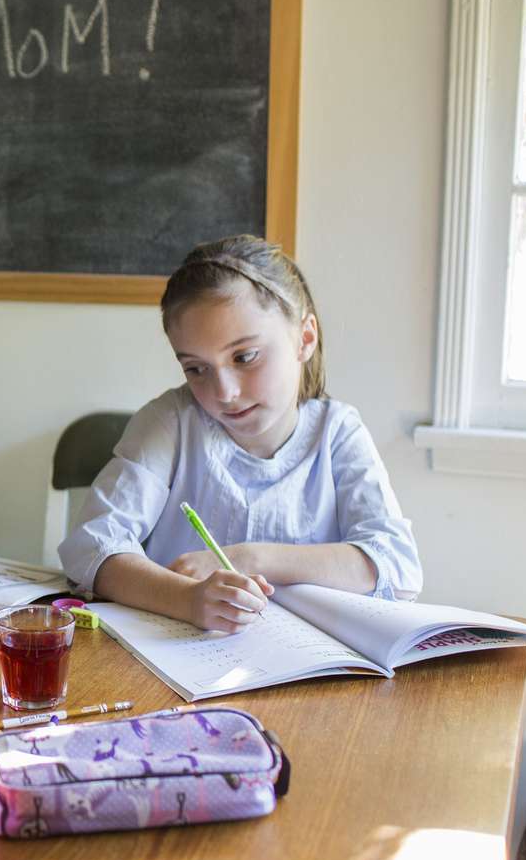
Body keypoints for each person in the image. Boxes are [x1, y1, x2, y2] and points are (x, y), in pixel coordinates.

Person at [58, 234, 421, 634]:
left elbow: (397, 567)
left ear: (305, 338)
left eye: (245, 357)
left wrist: (250, 558)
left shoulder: (337, 432)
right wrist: (187, 600)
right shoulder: (171, 422)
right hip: (177, 668)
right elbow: (90, 547)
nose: (224, 393)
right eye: (196, 368)